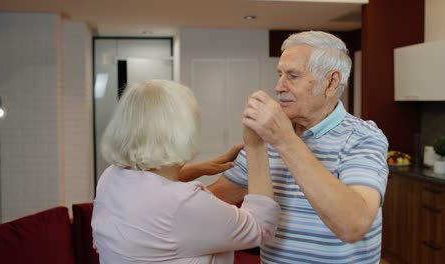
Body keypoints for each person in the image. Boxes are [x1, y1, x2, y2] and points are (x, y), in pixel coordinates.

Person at [208, 31, 389, 264]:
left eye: (292, 76)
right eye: (280, 74)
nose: (278, 87)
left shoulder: (364, 137)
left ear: (331, 83)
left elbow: (353, 225)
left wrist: (285, 140)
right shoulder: (268, 135)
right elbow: (216, 199)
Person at [91, 79, 281, 264]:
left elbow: (147, 189)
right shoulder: (180, 204)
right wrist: (255, 146)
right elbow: (260, 227)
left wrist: (199, 168)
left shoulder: (110, 177)